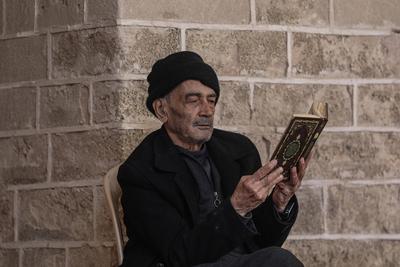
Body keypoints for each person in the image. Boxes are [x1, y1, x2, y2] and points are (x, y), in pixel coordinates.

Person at [118, 51, 310, 267]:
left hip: (237, 260)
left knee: (276, 259)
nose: (207, 111)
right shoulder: (141, 172)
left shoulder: (239, 150)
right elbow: (178, 254)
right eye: (193, 101)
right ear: (162, 109)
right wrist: (236, 207)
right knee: (279, 262)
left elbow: (263, 242)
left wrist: (278, 202)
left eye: (211, 100)